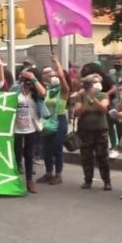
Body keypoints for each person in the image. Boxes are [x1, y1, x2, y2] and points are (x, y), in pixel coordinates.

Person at [36, 56, 71, 186]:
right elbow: (40, 83)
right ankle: (49, 172)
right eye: (52, 76)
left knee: (57, 149)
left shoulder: (64, 92)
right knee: (46, 149)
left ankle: (58, 175)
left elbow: (62, 78)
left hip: (59, 120)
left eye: (55, 75)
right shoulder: (48, 91)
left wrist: (57, 62)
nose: (53, 77)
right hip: (47, 120)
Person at [12, 69, 46, 194]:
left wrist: (33, 79)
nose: (26, 81)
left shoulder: (36, 90)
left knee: (29, 154)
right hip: (16, 127)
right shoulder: (16, 89)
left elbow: (43, 94)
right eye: (24, 78)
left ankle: (30, 181)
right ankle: (15, 179)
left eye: (28, 79)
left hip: (31, 127)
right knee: (16, 153)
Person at [75, 79, 112, 191]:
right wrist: (86, 98)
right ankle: (88, 180)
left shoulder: (103, 95)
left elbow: (103, 109)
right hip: (85, 130)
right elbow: (77, 112)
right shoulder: (80, 96)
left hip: (100, 130)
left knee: (103, 157)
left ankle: (107, 181)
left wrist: (93, 98)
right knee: (86, 157)